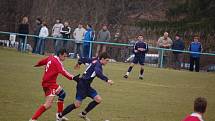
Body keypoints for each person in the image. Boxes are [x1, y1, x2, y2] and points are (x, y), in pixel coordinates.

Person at [56, 52, 114, 121]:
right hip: (82, 85)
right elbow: (98, 72)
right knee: (77, 105)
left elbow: (83, 59)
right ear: (102, 59)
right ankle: (59, 116)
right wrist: (107, 80)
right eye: (107, 60)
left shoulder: (94, 60)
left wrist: (79, 63)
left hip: (87, 86)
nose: (107, 62)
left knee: (98, 99)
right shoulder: (98, 65)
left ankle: (83, 114)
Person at [29, 49, 78, 121]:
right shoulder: (57, 62)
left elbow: (42, 62)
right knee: (48, 105)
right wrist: (73, 77)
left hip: (48, 83)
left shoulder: (51, 57)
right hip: (49, 85)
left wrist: (37, 64)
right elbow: (63, 71)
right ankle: (33, 119)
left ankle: (59, 115)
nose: (65, 58)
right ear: (60, 55)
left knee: (62, 94)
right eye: (64, 56)